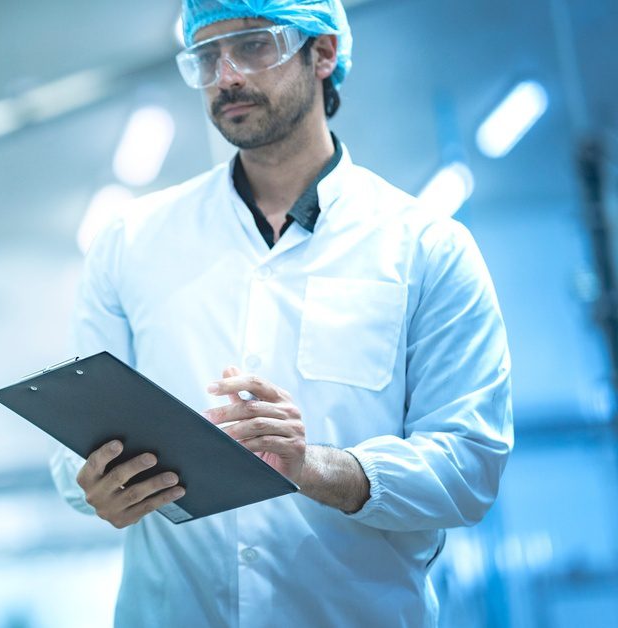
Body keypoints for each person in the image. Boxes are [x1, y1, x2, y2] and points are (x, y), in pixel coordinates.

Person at [49, 1, 514, 626]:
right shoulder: (131, 242)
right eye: (207, 57)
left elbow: (470, 463)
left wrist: (317, 467)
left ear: (322, 54)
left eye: (253, 45)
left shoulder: (425, 246)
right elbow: (72, 440)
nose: (226, 75)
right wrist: (94, 482)